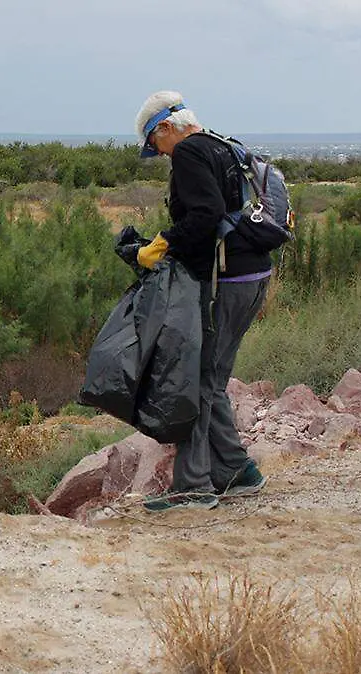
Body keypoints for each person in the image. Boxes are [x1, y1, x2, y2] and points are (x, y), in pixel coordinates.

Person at [127, 91, 269, 512]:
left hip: (229, 278)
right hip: (253, 273)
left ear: (165, 128)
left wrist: (164, 242)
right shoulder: (223, 145)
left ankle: (192, 488)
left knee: (200, 379)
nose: (159, 153)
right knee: (213, 373)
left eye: (155, 145)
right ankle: (238, 472)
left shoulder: (189, 152)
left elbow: (205, 215)